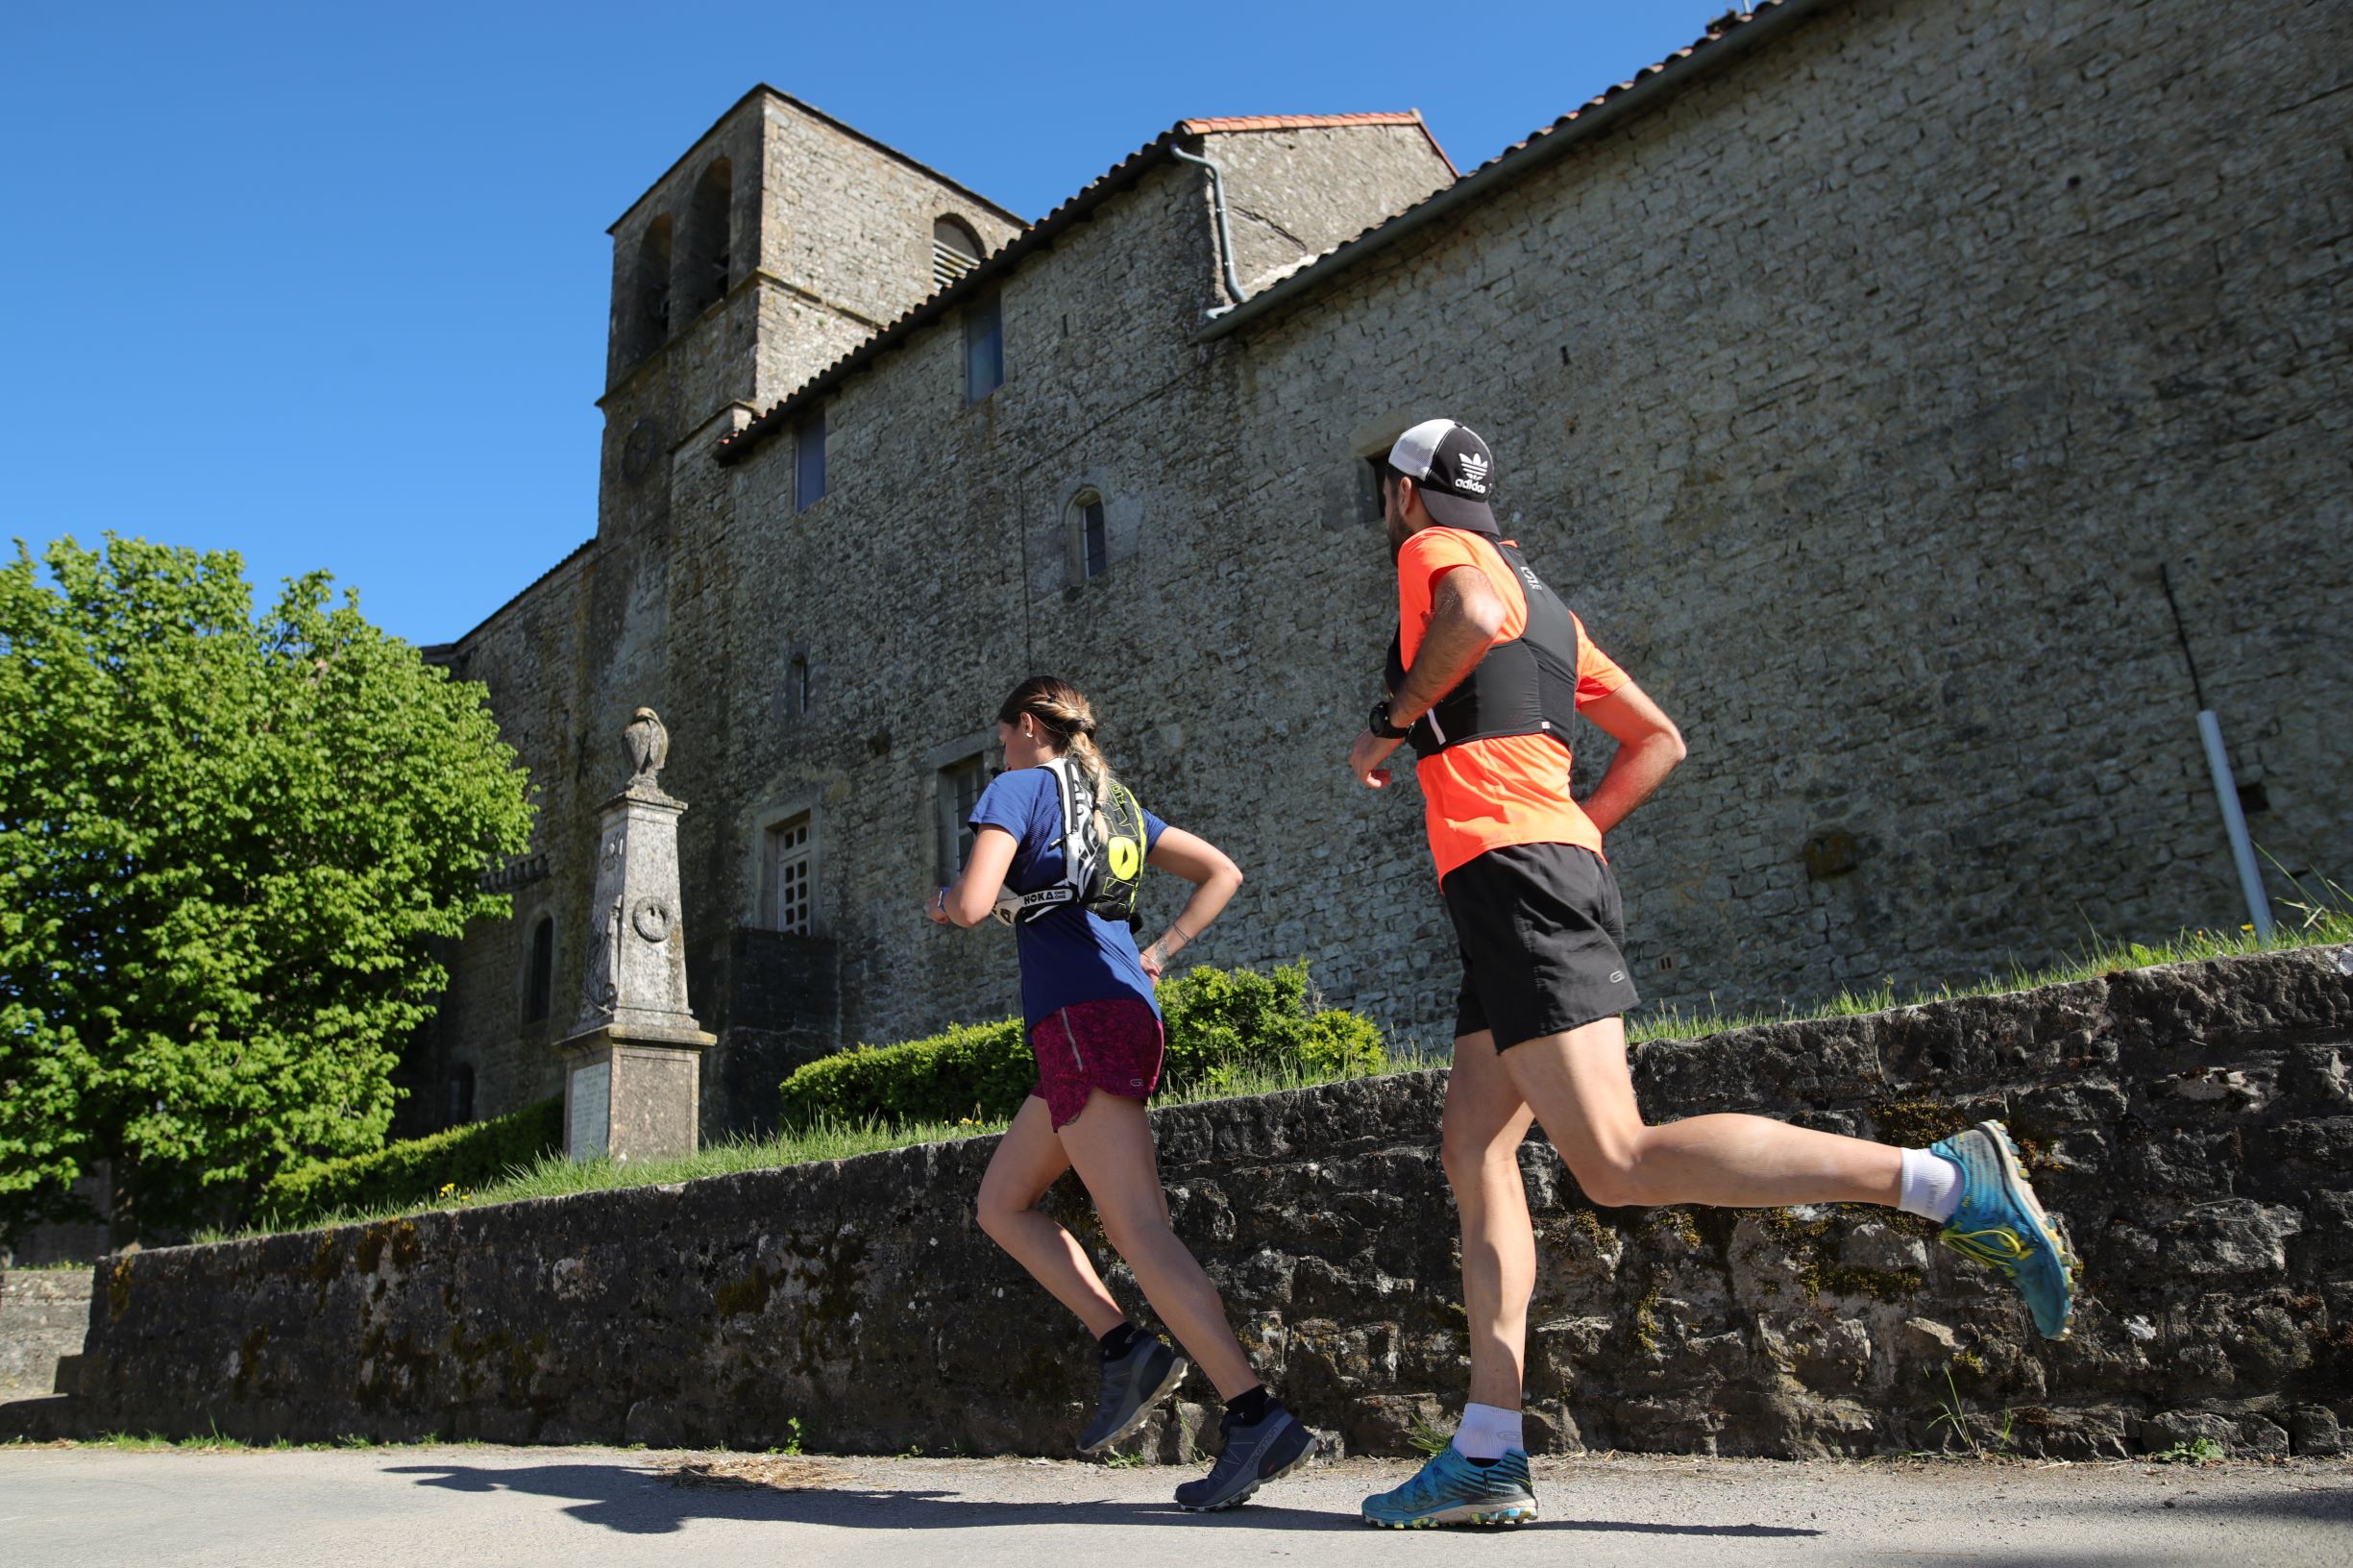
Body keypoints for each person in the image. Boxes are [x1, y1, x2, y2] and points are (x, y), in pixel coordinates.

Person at [1346, 420, 2077, 1530]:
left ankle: (1940, 1179)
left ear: (1408, 495)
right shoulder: (1553, 609)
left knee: (1616, 1159)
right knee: (1473, 1146)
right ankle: (1487, 1447)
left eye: (1383, 494)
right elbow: (1657, 740)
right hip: (1522, 875)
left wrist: (1392, 722)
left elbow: (1471, 620)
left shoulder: (1439, 559)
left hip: (1512, 874)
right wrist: (1579, 832)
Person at [929, 674, 1316, 1511]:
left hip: (1077, 1017)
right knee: (1002, 1202)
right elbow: (1221, 871)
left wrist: (950, 904)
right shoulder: (1115, 802)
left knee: (1138, 1227)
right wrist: (1163, 948)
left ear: (1029, 725)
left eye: (1003, 736)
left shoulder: (1018, 787)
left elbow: (967, 902)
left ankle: (1253, 1414)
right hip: (1118, 1013)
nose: (1001, 750)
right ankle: (1122, 1345)